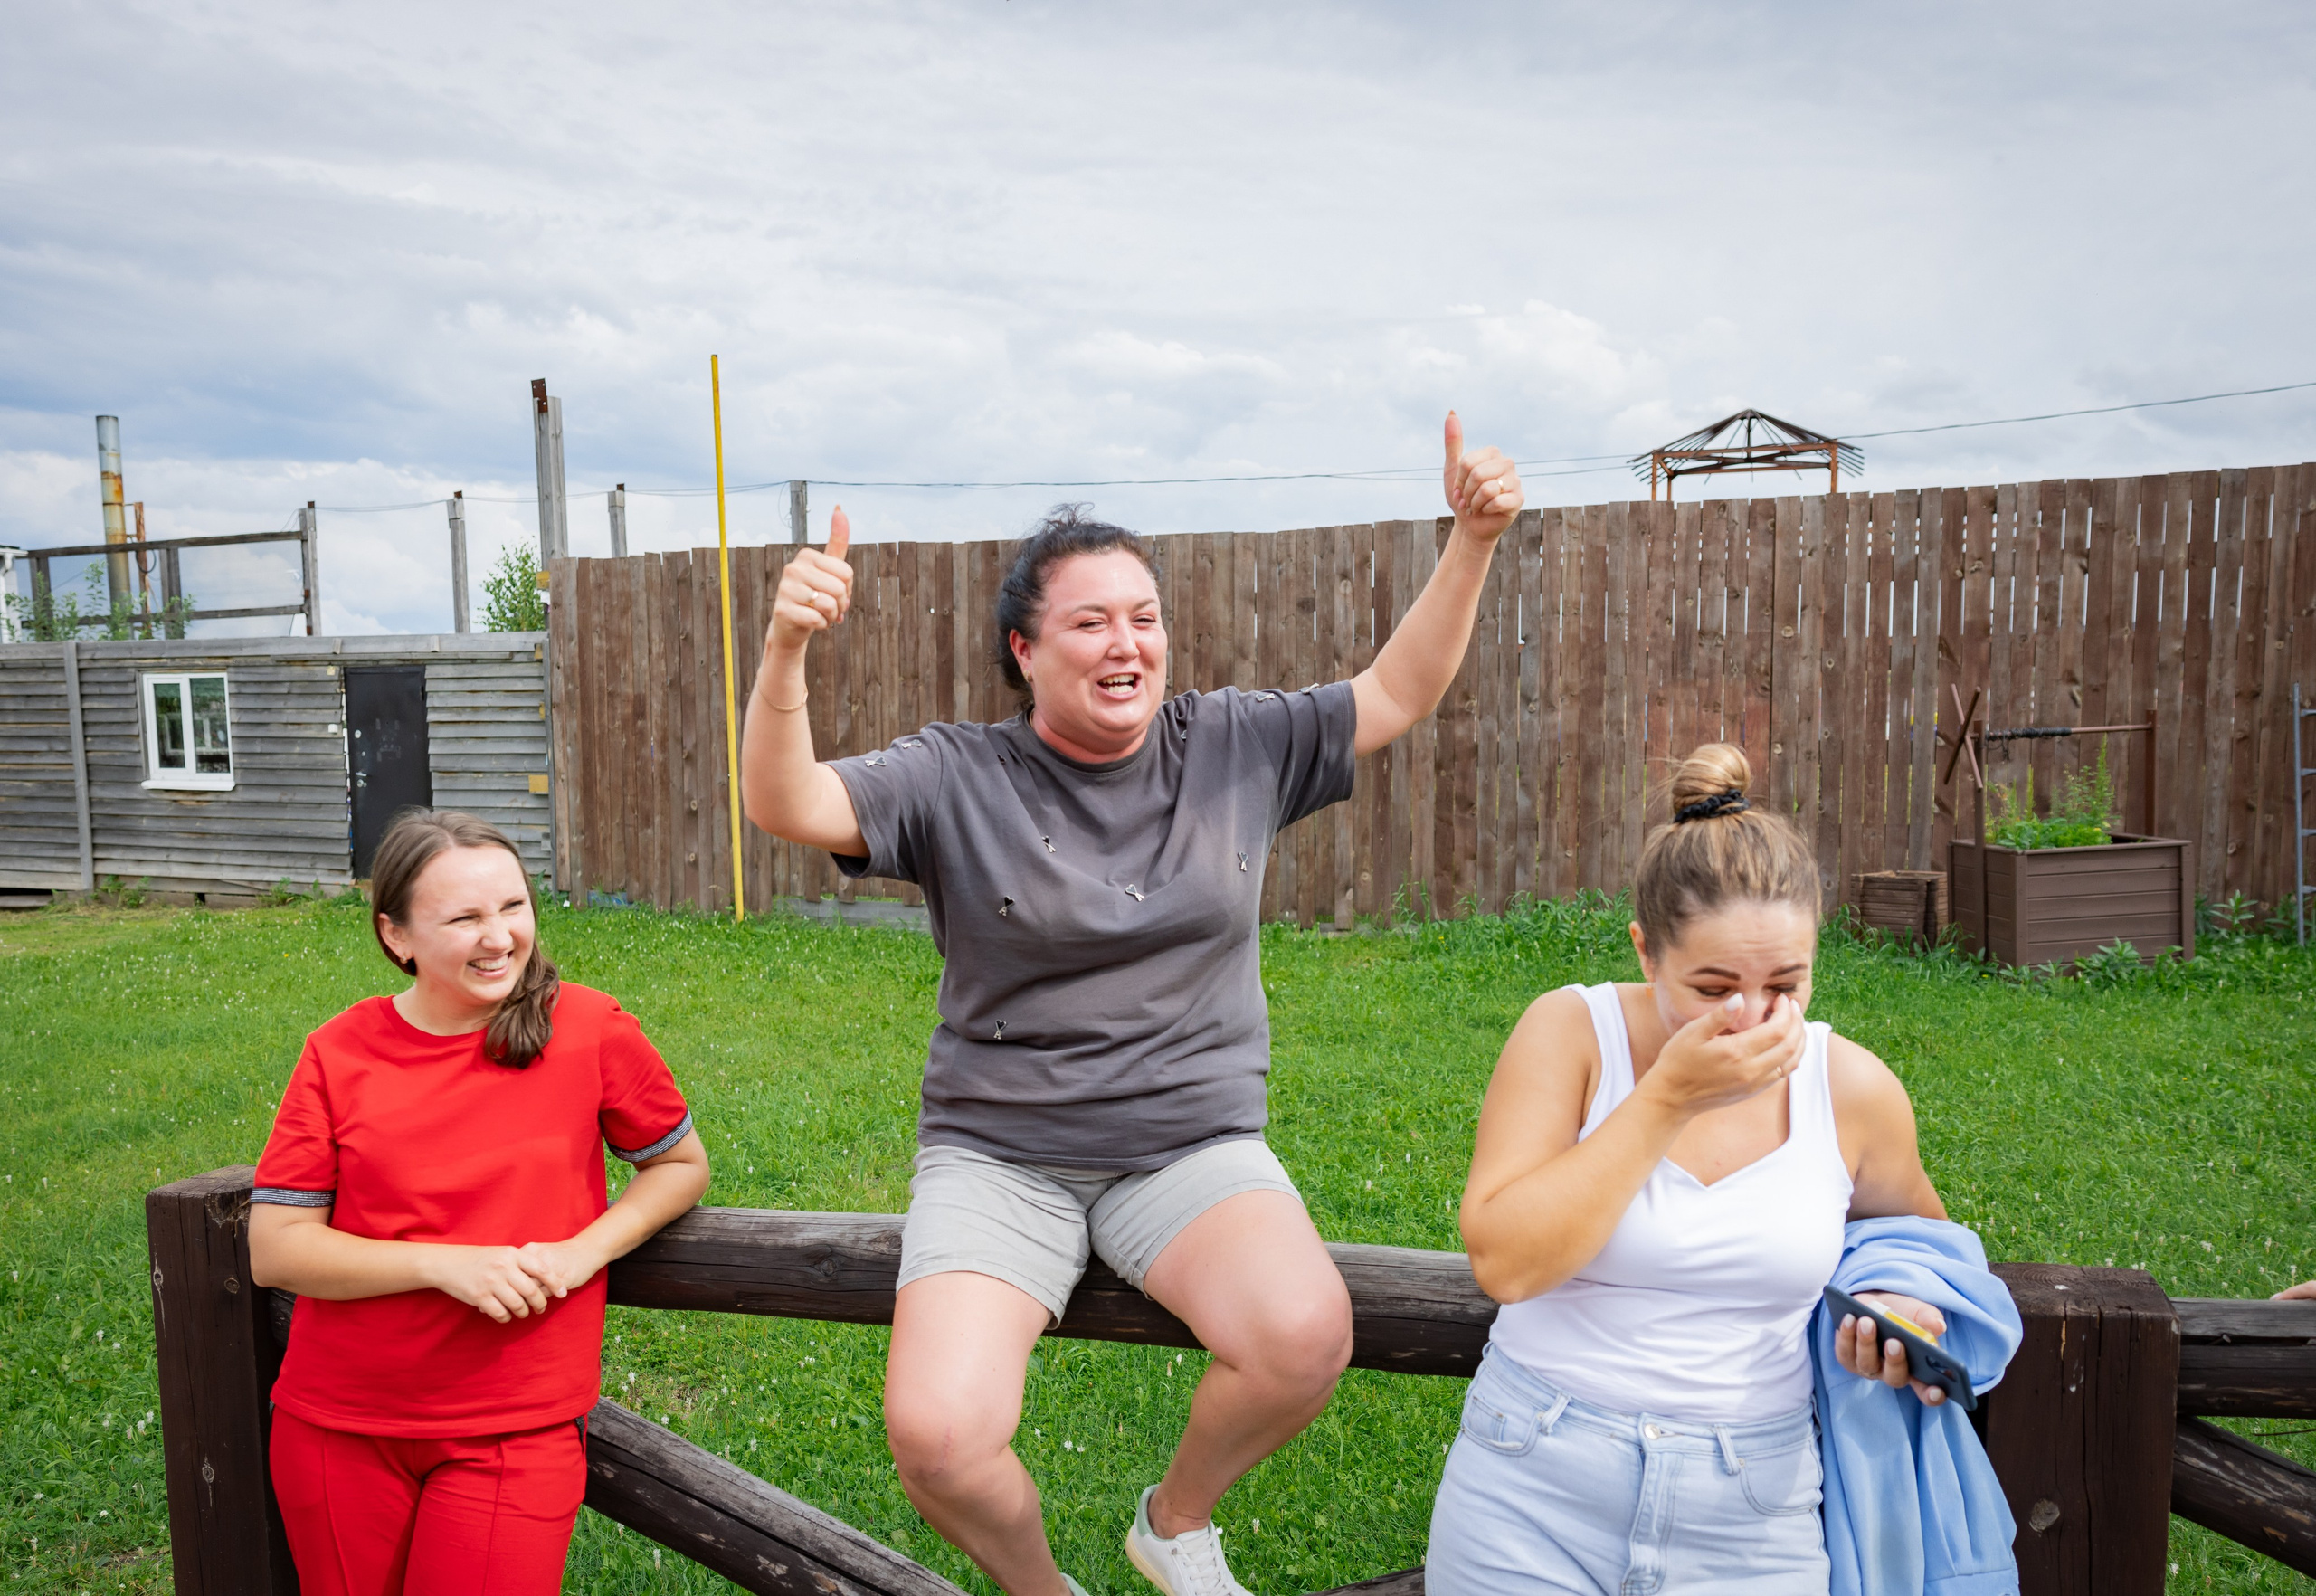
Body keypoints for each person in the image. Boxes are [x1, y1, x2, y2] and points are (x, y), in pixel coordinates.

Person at [739, 414, 1524, 1596]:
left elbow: (1396, 690)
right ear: (1024, 650)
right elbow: (787, 803)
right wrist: (787, 650)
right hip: (1001, 1154)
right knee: (939, 1440)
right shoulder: (956, 774)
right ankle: (1042, 1587)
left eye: (1144, 617)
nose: (1127, 643)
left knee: (1304, 1337)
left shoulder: (1233, 744)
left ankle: (1174, 1521)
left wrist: (1471, 541)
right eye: (1091, 621)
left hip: (1189, 1146)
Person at [1431, 745, 1983, 1595]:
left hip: (1753, 1507)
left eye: (1785, 985)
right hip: (1533, 1477)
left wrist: (1898, 1304)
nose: (1751, 1017)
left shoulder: (1852, 1088)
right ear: (1646, 954)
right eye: (1714, 986)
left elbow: (1917, 1245)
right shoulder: (1571, 1034)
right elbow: (1507, 1263)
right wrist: (1666, 1100)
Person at [248, 811, 709, 1596]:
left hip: (514, 1425)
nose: (499, 938)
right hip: (337, 1423)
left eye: (513, 906)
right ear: (397, 936)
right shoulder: (337, 1051)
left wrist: (582, 1252)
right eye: (464, 918)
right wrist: (445, 1266)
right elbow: (277, 1248)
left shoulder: (590, 1028)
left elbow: (680, 1166)